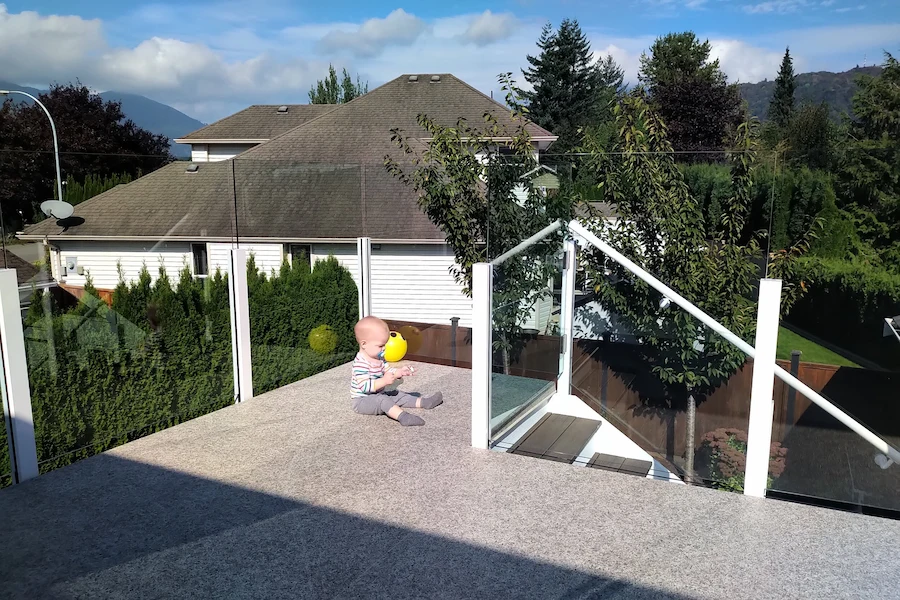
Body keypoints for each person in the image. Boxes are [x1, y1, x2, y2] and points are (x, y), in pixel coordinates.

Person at [351, 316, 443, 426]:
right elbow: (365, 386)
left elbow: (388, 369)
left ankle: (424, 402)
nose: (384, 348)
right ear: (364, 344)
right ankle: (403, 417)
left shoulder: (379, 358)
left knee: (397, 394)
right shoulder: (361, 363)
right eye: (381, 345)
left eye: (385, 344)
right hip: (362, 401)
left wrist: (399, 372)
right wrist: (384, 381)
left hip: (379, 393)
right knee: (382, 400)